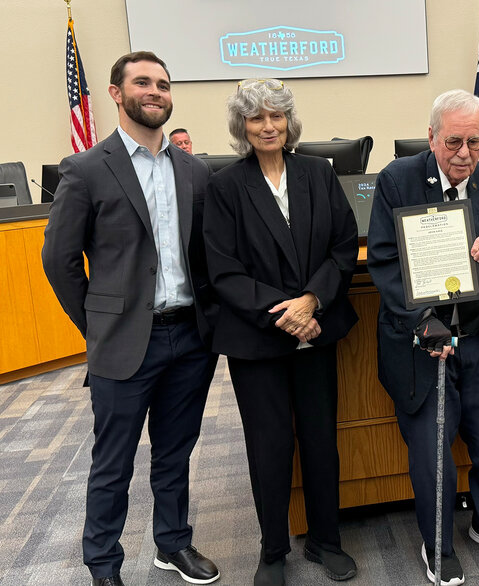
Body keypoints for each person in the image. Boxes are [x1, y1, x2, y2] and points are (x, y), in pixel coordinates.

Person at [42, 52, 220, 586]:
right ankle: (103, 563)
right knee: (113, 461)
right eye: (142, 82)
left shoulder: (195, 170)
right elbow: (60, 260)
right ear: (117, 93)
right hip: (123, 343)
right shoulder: (87, 168)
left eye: (163, 84)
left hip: (189, 338)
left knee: (175, 452)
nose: (156, 92)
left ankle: (173, 544)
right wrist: (95, 325)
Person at [203, 79, 359, 586]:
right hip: (258, 340)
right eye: (256, 118)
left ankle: (325, 540)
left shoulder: (318, 172)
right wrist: (284, 313)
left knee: (320, 440)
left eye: (276, 116)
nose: (268, 126)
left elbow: (342, 246)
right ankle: (273, 548)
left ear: (289, 123)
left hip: (316, 327)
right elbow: (223, 271)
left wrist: (311, 301)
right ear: (242, 127)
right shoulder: (225, 186)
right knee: (268, 446)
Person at [368, 89, 479, 585]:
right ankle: (436, 543)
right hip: (423, 342)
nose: (463, 153)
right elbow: (384, 261)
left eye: (473, 143)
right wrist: (424, 323)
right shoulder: (398, 180)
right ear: (432, 136)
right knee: (433, 454)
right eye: (453, 141)